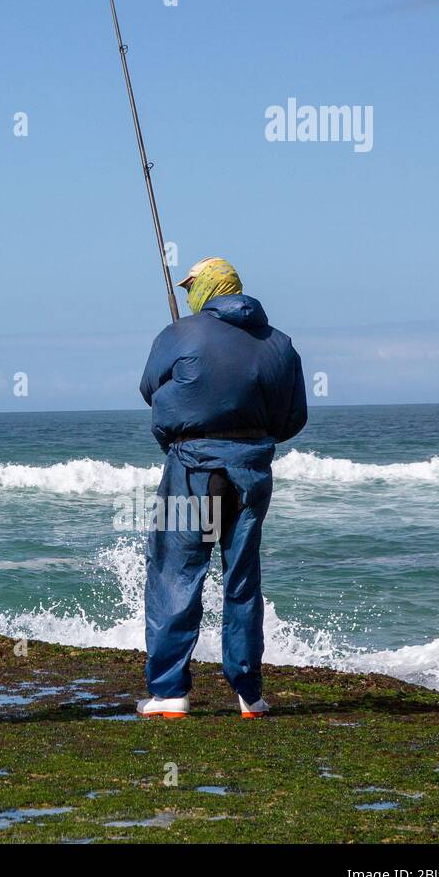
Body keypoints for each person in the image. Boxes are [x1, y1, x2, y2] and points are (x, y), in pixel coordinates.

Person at [136, 258, 306, 720]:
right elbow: (293, 418)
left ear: (207, 288)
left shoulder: (180, 332)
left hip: (190, 469)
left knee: (175, 573)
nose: (189, 291)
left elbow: (149, 387)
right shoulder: (281, 343)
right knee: (242, 578)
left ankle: (170, 691)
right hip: (251, 472)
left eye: (193, 285)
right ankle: (249, 693)